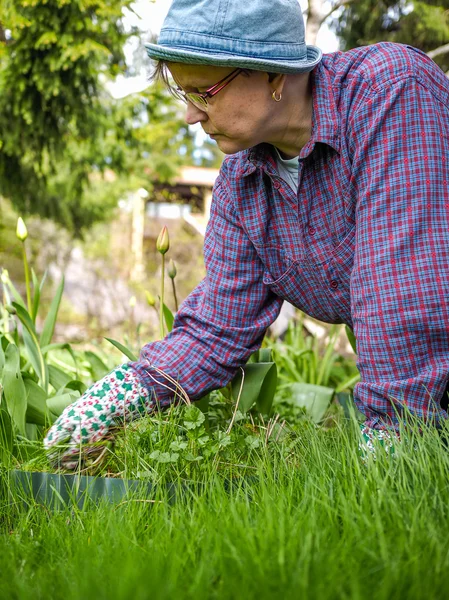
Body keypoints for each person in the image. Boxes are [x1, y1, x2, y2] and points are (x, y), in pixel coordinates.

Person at [44, 0, 449, 467]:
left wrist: (394, 430)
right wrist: (125, 394)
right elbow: (219, 326)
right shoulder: (243, 180)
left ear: (274, 74)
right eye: (185, 94)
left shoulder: (388, 93)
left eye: (205, 92)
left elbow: (402, 289)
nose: (190, 117)